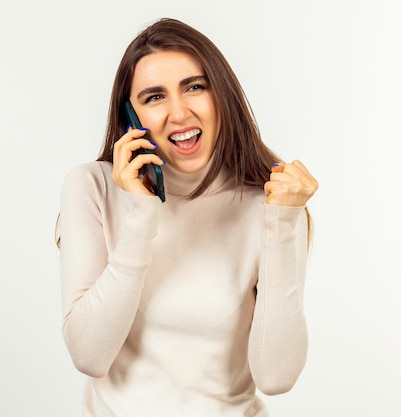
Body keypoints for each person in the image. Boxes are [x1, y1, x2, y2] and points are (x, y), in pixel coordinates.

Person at [57, 17, 318, 417]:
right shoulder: (93, 187)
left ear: (221, 96)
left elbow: (276, 376)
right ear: (131, 116)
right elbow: (90, 355)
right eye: (154, 97)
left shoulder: (270, 202)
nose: (178, 113)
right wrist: (141, 213)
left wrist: (283, 223)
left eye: (195, 87)